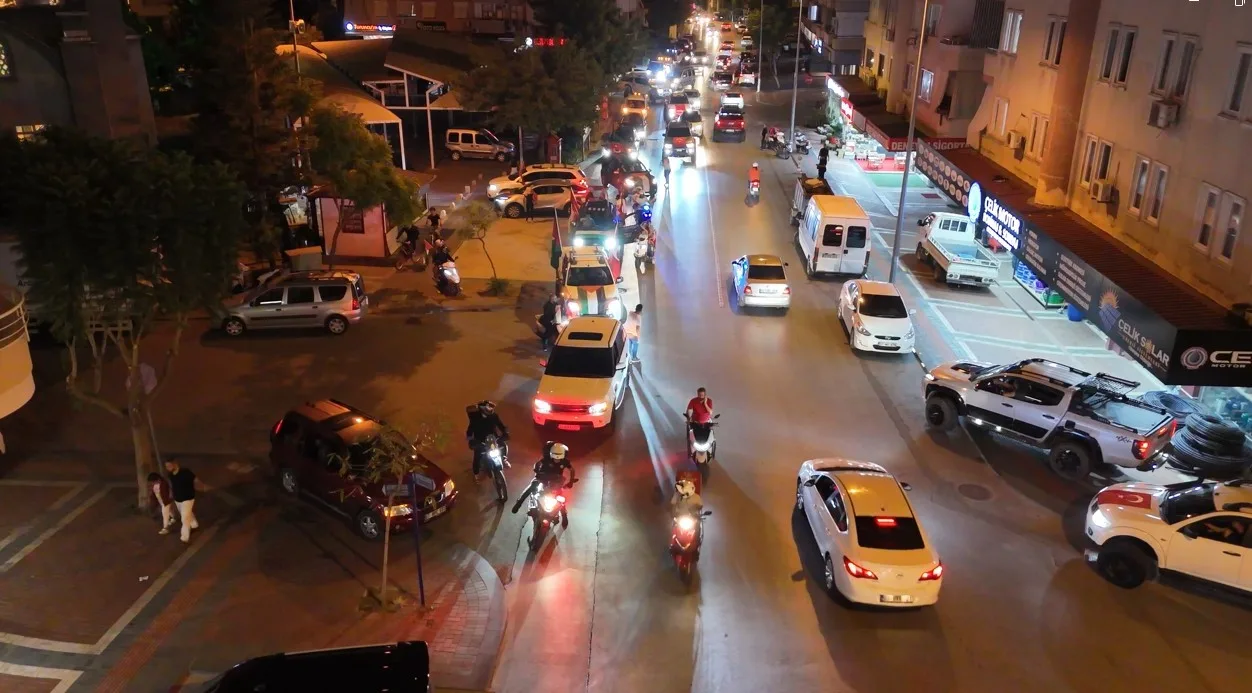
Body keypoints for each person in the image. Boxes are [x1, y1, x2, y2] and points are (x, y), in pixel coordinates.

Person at [511, 442, 575, 514]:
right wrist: (537, 473)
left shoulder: (565, 461)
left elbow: (572, 470)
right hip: (543, 476)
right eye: (554, 458)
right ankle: (519, 502)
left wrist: (571, 481)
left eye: (559, 458)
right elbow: (537, 464)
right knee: (533, 486)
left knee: (561, 496)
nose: (557, 460)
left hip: (556, 480)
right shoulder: (546, 459)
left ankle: (564, 513)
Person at [466, 400, 510, 478]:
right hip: (480, 440)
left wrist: (505, 433)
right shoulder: (475, 419)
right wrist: (471, 440)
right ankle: (476, 474)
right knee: (477, 456)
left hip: (493, 438)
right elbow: (470, 430)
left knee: (503, 446)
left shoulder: (494, 416)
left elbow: (500, 425)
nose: (490, 411)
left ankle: (504, 459)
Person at [164, 457, 198, 543]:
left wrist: (200, 487)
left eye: (169, 466)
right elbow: (172, 485)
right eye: (166, 466)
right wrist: (171, 494)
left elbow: (195, 480)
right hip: (178, 499)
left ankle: (184, 538)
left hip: (188, 498)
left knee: (184, 518)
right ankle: (194, 524)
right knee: (187, 513)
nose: (168, 468)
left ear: (175, 464)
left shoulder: (185, 472)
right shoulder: (170, 475)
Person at [685, 387, 715, 456]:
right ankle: (690, 452)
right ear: (697, 394)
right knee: (691, 436)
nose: (701, 397)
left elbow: (710, 412)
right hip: (695, 422)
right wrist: (688, 419)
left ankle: (711, 452)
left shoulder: (709, 401)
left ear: (705, 395)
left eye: (702, 395)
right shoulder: (693, 401)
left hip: (706, 423)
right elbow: (689, 410)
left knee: (711, 437)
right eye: (699, 395)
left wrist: (705, 404)